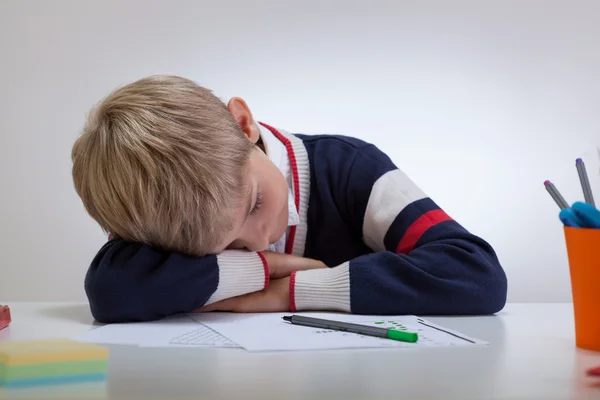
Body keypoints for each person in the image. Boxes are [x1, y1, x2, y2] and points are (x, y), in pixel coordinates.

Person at [71, 75, 508, 323]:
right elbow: (111, 293)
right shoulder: (162, 210)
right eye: (229, 249)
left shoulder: (352, 169)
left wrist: (290, 292)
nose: (258, 240)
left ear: (243, 124)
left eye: (255, 204)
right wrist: (268, 268)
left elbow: (476, 273)